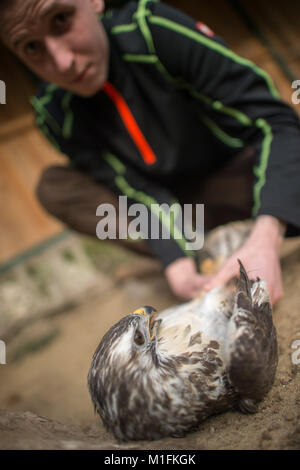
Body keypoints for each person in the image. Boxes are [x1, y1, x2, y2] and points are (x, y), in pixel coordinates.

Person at [1, 0, 300, 305]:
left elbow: (274, 123)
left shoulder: (151, 32)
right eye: (32, 48)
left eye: (62, 19)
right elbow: (130, 187)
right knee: (54, 187)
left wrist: (267, 237)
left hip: (242, 184)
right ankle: (196, 253)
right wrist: (174, 258)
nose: (63, 62)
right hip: (179, 214)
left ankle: (260, 228)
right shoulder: (54, 112)